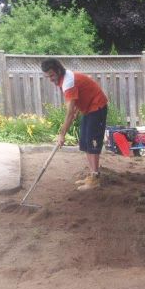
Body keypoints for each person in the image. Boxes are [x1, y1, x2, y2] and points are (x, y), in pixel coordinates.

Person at [41, 58, 108, 191]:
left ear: (58, 70)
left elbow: (69, 112)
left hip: (97, 107)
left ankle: (95, 178)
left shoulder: (68, 82)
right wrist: (77, 108)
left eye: (52, 75)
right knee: (85, 142)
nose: (50, 79)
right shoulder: (63, 79)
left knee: (92, 143)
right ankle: (92, 174)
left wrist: (62, 135)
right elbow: (80, 94)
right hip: (88, 109)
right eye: (48, 76)